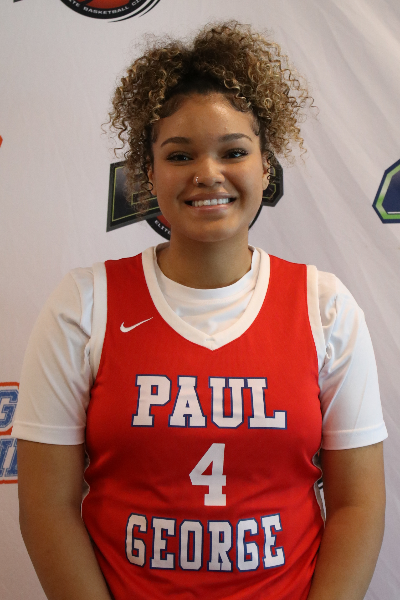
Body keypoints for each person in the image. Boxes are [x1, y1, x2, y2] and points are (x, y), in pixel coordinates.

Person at [14, 21, 387, 600]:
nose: (207, 173)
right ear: (148, 172)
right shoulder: (85, 304)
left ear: (266, 166)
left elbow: (358, 505)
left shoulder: (325, 307)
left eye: (233, 151)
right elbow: (46, 505)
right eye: (180, 154)